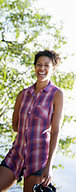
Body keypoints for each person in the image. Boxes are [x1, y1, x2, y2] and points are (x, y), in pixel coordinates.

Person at [0, 50, 64, 192]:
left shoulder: (57, 94)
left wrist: (49, 166)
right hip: (17, 152)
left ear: (53, 68)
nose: (42, 68)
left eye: (46, 65)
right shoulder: (23, 94)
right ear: (35, 67)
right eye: (39, 65)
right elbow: (15, 126)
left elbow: (55, 131)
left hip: (39, 157)